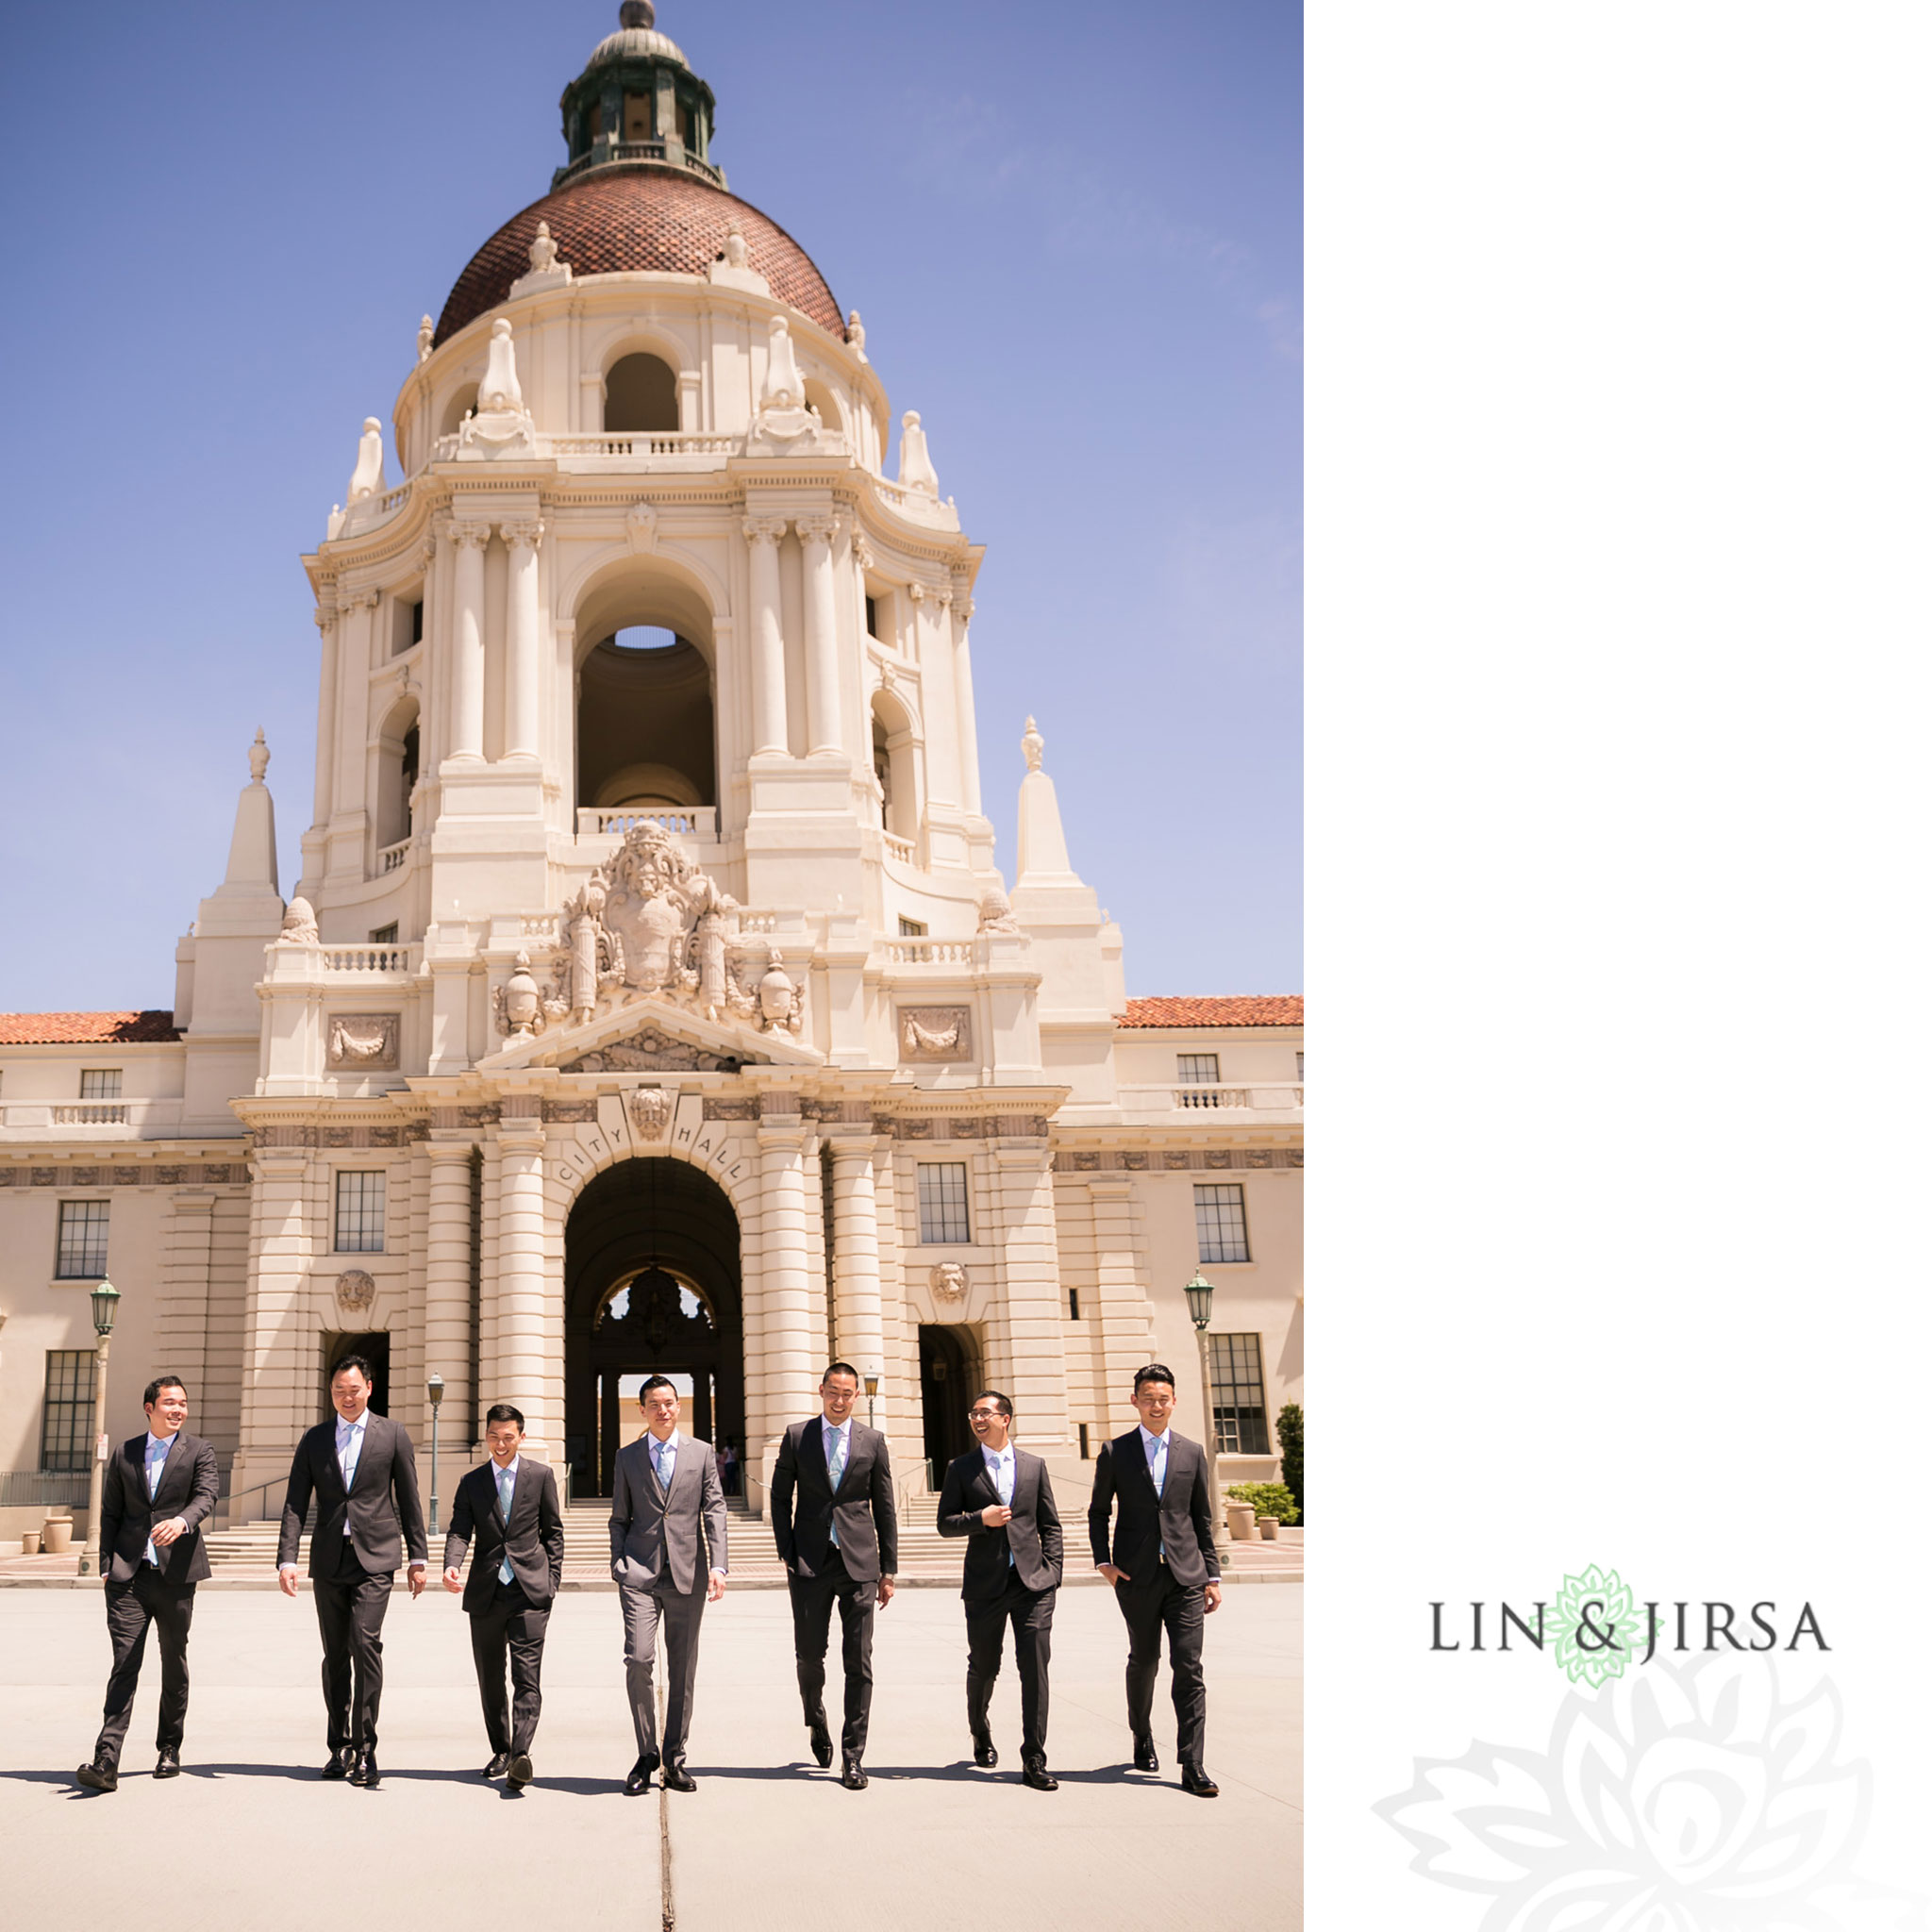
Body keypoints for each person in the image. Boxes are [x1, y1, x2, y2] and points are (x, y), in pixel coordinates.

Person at [276, 1356, 427, 1788]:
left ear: (369, 1389)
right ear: (332, 1392)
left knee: (365, 1644)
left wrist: (418, 1557)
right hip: (328, 1558)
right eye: (339, 1390)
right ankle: (338, 1747)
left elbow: (410, 1498)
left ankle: (366, 1748)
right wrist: (287, 1558)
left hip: (376, 1557)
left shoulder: (392, 1434)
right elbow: (294, 1504)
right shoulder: (315, 1439)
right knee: (335, 1656)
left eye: (354, 1389)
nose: (347, 1396)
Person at [74, 1375, 220, 1792]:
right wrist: (106, 1563)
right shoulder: (125, 1453)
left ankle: (169, 1747)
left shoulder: (199, 1451)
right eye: (170, 1402)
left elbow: (207, 1495)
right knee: (125, 1665)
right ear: (149, 1408)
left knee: (174, 1662)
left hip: (176, 1577)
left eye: (183, 1403)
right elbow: (111, 1512)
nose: (178, 1409)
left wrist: (182, 1520)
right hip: (128, 1577)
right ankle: (106, 1760)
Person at [1087, 1363, 1224, 1797]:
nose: (1156, 1405)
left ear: (1174, 1401)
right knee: (1144, 1660)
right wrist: (1103, 1563)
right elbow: (1098, 1512)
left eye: (1163, 1398)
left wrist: (1212, 1574)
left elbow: (1201, 1517)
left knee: (1189, 1668)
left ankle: (1193, 1763)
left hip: (1186, 1576)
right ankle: (1141, 1733)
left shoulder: (1191, 1452)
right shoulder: (1116, 1451)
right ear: (1135, 1402)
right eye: (1148, 1398)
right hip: (1136, 1575)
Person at [771, 1361, 898, 1790]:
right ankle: (816, 1718)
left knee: (858, 1662)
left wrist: (889, 1569)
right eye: (833, 1392)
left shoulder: (874, 1441)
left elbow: (885, 1507)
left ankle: (853, 1755)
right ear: (820, 1391)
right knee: (809, 1656)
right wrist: (786, 1550)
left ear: (857, 1396)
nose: (840, 1400)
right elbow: (778, 1496)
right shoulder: (796, 1437)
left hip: (860, 1564)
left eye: (848, 1393)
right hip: (809, 1561)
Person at [936, 1388, 1063, 1791]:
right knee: (984, 1666)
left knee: (1035, 1672)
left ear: (1005, 1419)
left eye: (985, 1413)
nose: (977, 1419)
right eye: (973, 1413)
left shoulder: (1033, 1466)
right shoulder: (961, 1468)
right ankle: (980, 1729)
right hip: (985, 1586)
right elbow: (945, 1524)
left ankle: (1034, 1759)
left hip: (1033, 1585)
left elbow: (1050, 1524)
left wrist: (1053, 1572)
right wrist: (980, 1518)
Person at [608, 1375, 728, 1793]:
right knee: (639, 1659)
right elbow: (619, 1517)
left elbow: (714, 1510)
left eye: (669, 1403)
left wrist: (719, 1565)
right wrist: (618, 1562)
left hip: (687, 1573)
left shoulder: (702, 1453)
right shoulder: (627, 1457)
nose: (663, 1410)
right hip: (639, 1574)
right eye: (654, 1404)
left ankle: (674, 1758)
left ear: (679, 1407)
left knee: (682, 1670)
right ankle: (646, 1755)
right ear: (642, 1410)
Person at [441, 1403, 566, 1788]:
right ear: (487, 1436)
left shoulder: (541, 1476)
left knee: (527, 1676)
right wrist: (452, 1563)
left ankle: (521, 1753)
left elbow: (553, 1533)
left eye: (508, 1437)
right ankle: (501, 1749)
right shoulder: (472, 1481)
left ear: (521, 1437)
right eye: (493, 1436)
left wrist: (552, 1582)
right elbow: (460, 1530)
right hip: (486, 1593)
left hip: (530, 1592)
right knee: (491, 1678)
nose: (500, 1443)